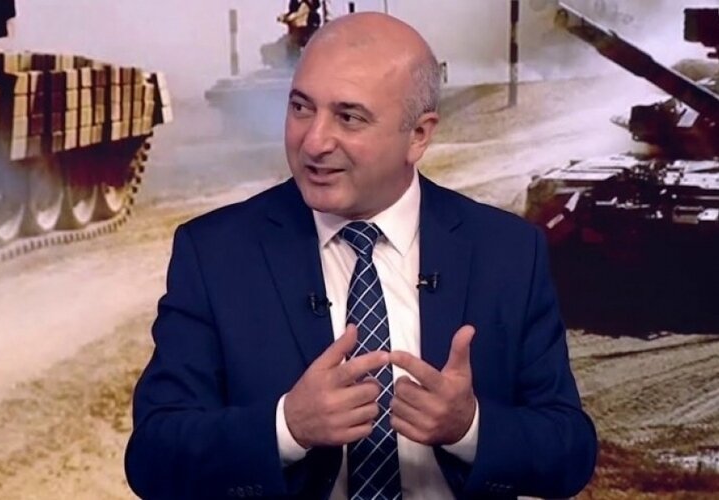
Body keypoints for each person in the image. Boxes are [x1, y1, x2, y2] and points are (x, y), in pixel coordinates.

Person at [125, 12, 597, 500]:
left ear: (419, 135)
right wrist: (286, 427)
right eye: (301, 108)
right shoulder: (216, 253)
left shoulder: (508, 252)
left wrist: (470, 428)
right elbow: (154, 457)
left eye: (348, 117)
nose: (314, 142)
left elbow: (570, 453)